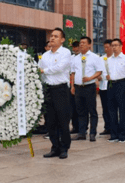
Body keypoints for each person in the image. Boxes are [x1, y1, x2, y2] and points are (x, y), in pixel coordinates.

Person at [38, 28, 72, 159]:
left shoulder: (65, 52)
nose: (52, 38)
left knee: (62, 120)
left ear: (62, 40)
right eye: (51, 36)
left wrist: (43, 71)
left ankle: (64, 148)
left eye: (56, 36)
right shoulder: (45, 55)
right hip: (48, 90)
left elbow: (59, 68)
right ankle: (55, 147)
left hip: (61, 90)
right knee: (50, 121)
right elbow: (39, 70)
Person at [70, 36, 105, 142]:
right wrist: (72, 86)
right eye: (80, 43)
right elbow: (73, 73)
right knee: (80, 111)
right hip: (78, 87)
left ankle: (93, 133)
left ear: (89, 45)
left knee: (92, 111)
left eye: (84, 43)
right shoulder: (75, 58)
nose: (81, 45)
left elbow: (99, 71)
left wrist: (90, 78)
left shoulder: (95, 57)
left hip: (89, 87)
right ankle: (81, 133)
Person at [105, 38, 125, 143]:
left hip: (121, 84)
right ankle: (114, 135)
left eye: (116, 45)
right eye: (112, 45)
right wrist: (105, 76)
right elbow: (104, 73)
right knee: (111, 110)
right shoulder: (108, 60)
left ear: (121, 46)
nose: (114, 47)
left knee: (122, 111)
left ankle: (122, 135)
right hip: (111, 84)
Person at [97, 39, 113, 136]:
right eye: (105, 47)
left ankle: (113, 127)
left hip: (111, 87)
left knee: (112, 108)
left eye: (108, 47)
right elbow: (99, 71)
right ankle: (107, 127)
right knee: (105, 109)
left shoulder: (115, 59)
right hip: (103, 87)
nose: (106, 49)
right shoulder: (101, 59)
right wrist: (99, 76)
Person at [69, 41, 81, 134]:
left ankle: (82, 127)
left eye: (75, 47)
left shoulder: (83, 57)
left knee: (81, 108)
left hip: (81, 84)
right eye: (73, 47)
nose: (74, 49)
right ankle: (75, 126)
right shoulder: (71, 58)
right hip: (72, 84)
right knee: (73, 108)